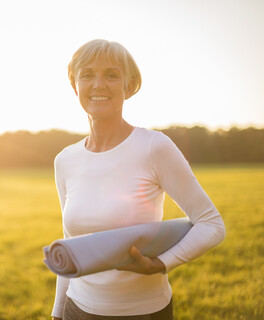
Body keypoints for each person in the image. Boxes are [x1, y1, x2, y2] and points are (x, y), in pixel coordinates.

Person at [51, 39, 226, 320]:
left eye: (111, 75)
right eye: (87, 75)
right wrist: (58, 313)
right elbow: (69, 243)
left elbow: (211, 223)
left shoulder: (154, 146)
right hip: (77, 309)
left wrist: (160, 263)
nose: (98, 84)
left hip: (143, 312)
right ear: (75, 86)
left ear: (128, 86)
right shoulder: (65, 160)